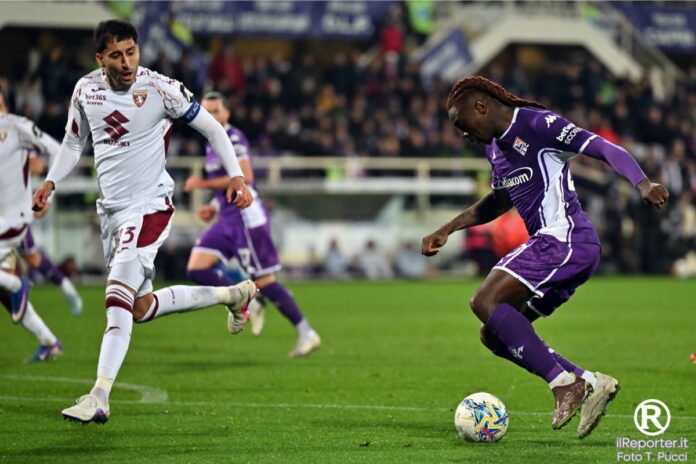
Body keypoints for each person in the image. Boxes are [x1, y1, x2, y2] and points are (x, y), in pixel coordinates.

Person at [32, 20, 257, 425]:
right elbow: (73, 141)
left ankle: (99, 395)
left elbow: (212, 129)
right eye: (116, 55)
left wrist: (236, 176)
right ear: (100, 59)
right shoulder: (85, 90)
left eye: (131, 52)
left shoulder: (160, 88)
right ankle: (233, 295)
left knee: (115, 296)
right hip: (112, 212)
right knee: (138, 307)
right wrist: (51, 181)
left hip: (149, 207)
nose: (126, 62)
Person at [421, 76, 668, 439]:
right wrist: (449, 227)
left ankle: (562, 384)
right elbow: (498, 202)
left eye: (462, 124)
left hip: (566, 240)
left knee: (484, 300)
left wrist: (643, 182)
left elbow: (602, 147)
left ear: (481, 107)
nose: (463, 134)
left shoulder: (538, 124)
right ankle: (589, 381)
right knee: (494, 335)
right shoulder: (495, 150)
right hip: (558, 249)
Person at [184, 92, 320, 358]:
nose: (211, 116)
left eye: (216, 111)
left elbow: (245, 176)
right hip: (227, 218)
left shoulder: (232, 137)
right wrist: (213, 206)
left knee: (265, 279)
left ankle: (307, 333)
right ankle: (247, 298)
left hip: (246, 218)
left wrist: (201, 183)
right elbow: (226, 183)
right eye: (206, 112)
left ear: (227, 113)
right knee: (196, 268)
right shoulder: (210, 141)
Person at [0, 93, 63, 362]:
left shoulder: (17, 126)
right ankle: (48, 341)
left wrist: (47, 194)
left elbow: (58, 150)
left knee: (11, 286)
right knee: (4, 292)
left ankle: (17, 284)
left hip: (13, 221)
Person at [19, 150, 83, 316]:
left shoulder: (17, 135)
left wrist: (48, 197)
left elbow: (42, 162)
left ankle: (65, 287)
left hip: (11, 212)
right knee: (30, 259)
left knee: (33, 258)